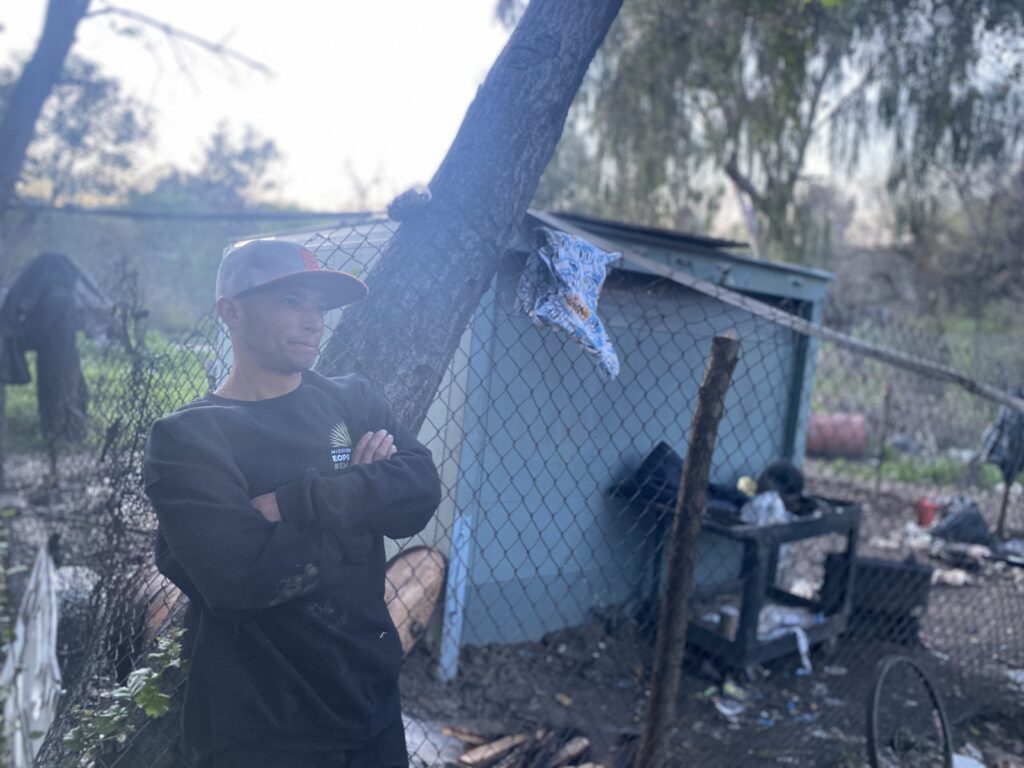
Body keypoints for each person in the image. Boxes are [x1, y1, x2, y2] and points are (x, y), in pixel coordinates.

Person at [144, 238, 441, 768]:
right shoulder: (190, 437)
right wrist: (363, 504)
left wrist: (300, 500)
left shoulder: (351, 398)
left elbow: (418, 493)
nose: (312, 321)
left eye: (318, 306)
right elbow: (241, 582)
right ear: (230, 311)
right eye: (290, 302)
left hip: (369, 699)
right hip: (263, 724)